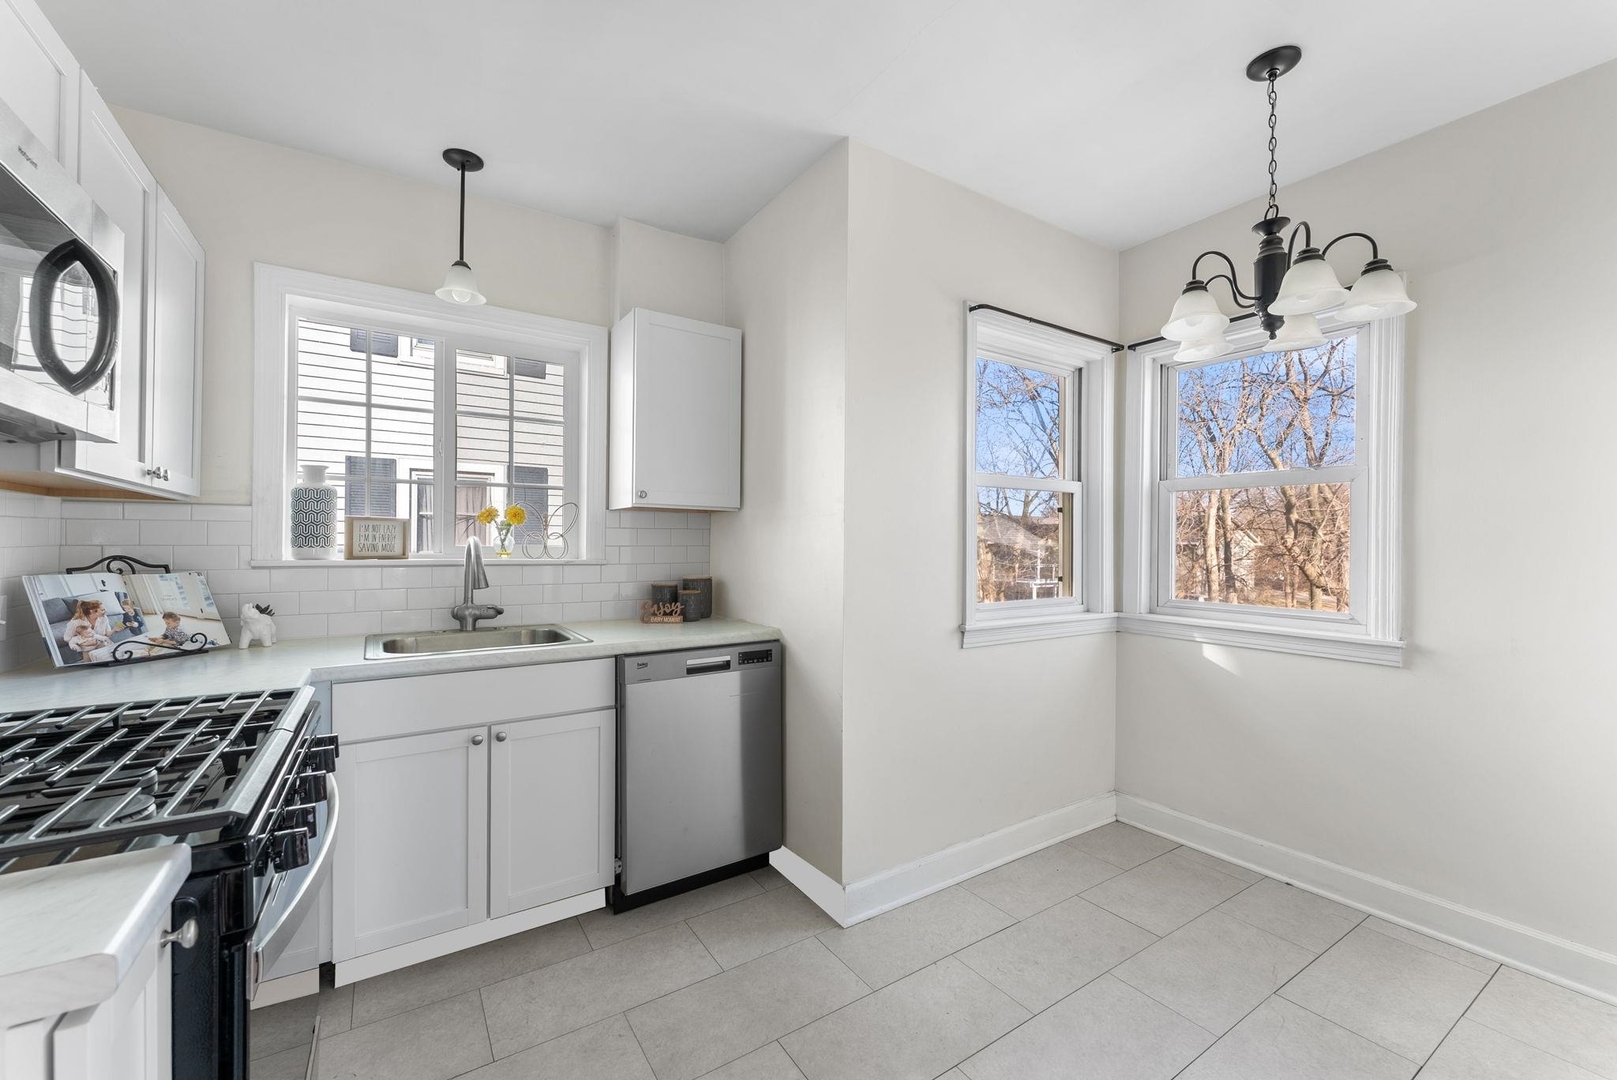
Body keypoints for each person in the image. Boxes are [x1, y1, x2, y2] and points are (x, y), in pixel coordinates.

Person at [62, 599, 116, 663]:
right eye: (102, 610)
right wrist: (82, 641)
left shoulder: (103, 618)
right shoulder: (75, 622)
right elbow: (67, 638)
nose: (105, 611)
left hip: (100, 644)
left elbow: (107, 634)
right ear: (91, 611)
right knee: (90, 663)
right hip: (87, 647)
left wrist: (114, 630)